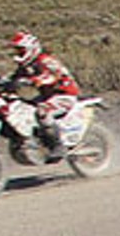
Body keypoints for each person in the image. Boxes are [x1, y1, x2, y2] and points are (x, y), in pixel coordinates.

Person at [6, 30, 80, 158]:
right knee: (24, 108)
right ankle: (38, 140)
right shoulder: (26, 66)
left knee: (43, 111)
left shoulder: (46, 61)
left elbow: (55, 75)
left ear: (30, 49)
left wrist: (37, 80)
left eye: (21, 50)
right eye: (17, 50)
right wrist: (2, 85)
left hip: (64, 94)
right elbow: (13, 79)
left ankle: (58, 145)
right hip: (47, 97)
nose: (18, 53)